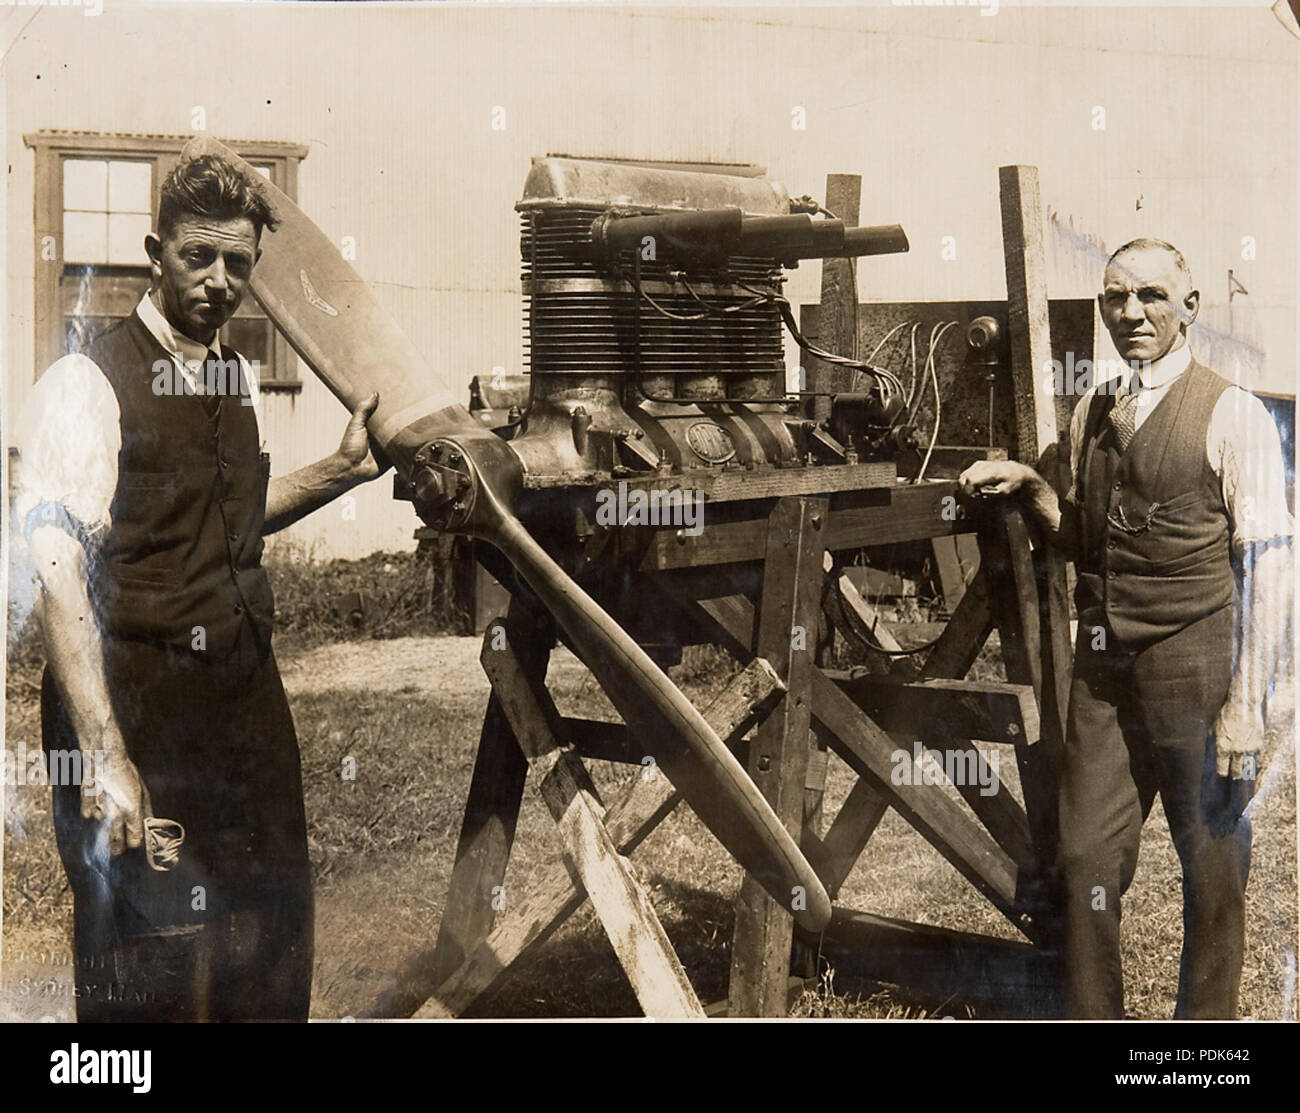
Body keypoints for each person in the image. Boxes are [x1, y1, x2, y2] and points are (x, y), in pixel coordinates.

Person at [13, 153, 389, 1020]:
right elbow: (59, 570)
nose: (221, 282)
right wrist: (107, 758)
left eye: (240, 264)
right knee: (150, 968)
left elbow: (230, 518)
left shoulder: (234, 375)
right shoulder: (84, 384)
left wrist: (337, 471)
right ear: (156, 251)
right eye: (199, 258)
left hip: (244, 706)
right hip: (138, 705)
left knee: (268, 941)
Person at [958, 238, 1292, 1019]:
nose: (1131, 313)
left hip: (1197, 670)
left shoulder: (1233, 413)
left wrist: (1247, 705)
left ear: (1190, 308)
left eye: (1150, 296)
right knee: (1085, 858)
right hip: (1104, 676)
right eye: (1116, 297)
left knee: (1211, 867)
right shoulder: (1093, 410)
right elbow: (1084, 537)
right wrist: (1035, 485)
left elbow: (1273, 567)